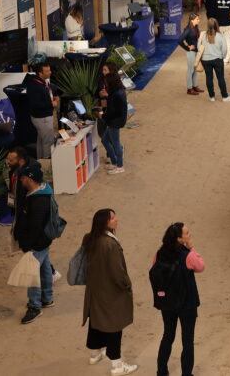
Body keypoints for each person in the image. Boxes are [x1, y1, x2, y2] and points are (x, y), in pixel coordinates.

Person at [82, 208, 138, 375]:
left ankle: (95, 353)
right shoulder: (110, 244)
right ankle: (117, 365)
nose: (116, 220)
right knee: (114, 326)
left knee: (96, 320)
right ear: (105, 223)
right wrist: (127, 285)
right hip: (110, 292)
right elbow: (118, 272)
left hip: (95, 290)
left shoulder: (90, 238)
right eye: (113, 218)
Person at [153, 222, 204, 376]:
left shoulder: (159, 253)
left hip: (167, 302)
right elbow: (200, 266)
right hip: (186, 303)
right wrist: (192, 248)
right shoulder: (187, 256)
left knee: (168, 335)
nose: (190, 235)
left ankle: (162, 371)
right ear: (180, 239)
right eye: (187, 233)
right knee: (187, 340)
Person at [13, 162, 54, 324]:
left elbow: (35, 226)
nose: (21, 182)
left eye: (22, 178)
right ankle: (47, 298)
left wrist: (26, 244)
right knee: (44, 268)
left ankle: (34, 306)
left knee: (31, 275)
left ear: (29, 179)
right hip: (43, 240)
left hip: (36, 242)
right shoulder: (42, 192)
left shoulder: (38, 201)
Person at [97, 67, 128, 174]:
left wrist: (103, 115)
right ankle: (114, 163)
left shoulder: (116, 94)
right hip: (114, 120)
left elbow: (114, 111)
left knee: (116, 144)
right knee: (104, 140)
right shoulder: (117, 92)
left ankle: (120, 166)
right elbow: (114, 108)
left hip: (115, 122)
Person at [25, 61, 58, 159]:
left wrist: (52, 98)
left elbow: (44, 96)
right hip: (41, 117)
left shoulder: (41, 82)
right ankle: (47, 163)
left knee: (41, 141)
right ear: (40, 73)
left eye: (50, 70)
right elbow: (36, 104)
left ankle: (40, 161)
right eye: (47, 71)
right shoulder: (34, 85)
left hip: (44, 116)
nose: (50, 72)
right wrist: (51, 103)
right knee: (48, 142)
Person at [198, 18, 230, 101]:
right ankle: (225, 96)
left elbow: (199, 47)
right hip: (217, 59)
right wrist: (222, 57)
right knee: (221, 78)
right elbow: (224, 49)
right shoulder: (220, 36)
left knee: (209, 78)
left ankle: (211, 96)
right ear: (217, 25)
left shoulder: (202, 34)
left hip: (206, 60)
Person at [180, 14, 203, 96]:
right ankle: (189, 89)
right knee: (191, 70)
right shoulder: (188, 29)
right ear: (192, 20)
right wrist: (187, 47)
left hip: (196, 51)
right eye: (197, 19)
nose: (199, 20)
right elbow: (179, 40)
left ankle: (195, 86)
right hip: (191, 52)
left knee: (195, 70)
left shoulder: (195, 27)